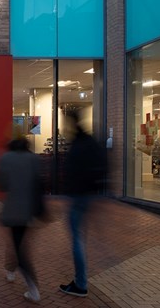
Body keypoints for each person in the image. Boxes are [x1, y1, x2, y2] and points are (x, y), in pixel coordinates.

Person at [58, 109, 108, 299]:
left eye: (65, 123)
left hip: (79, 196)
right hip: (88, 196)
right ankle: (80, 281)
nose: (64, 128)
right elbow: (103, 166)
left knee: (77, 239)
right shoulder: (90, 142)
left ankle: (81, 284)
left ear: (72, 124)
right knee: (80, 237)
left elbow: (73, 171)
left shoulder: (78, 144)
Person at [0, 136, 45, 304]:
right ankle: (10, 269)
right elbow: (41, 182)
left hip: (14, 210)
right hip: (31, 210)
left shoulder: (5, 158)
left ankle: (33, 288)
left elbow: (1, 184)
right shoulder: (34, 159)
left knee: (19, 248)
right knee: (20, 243)